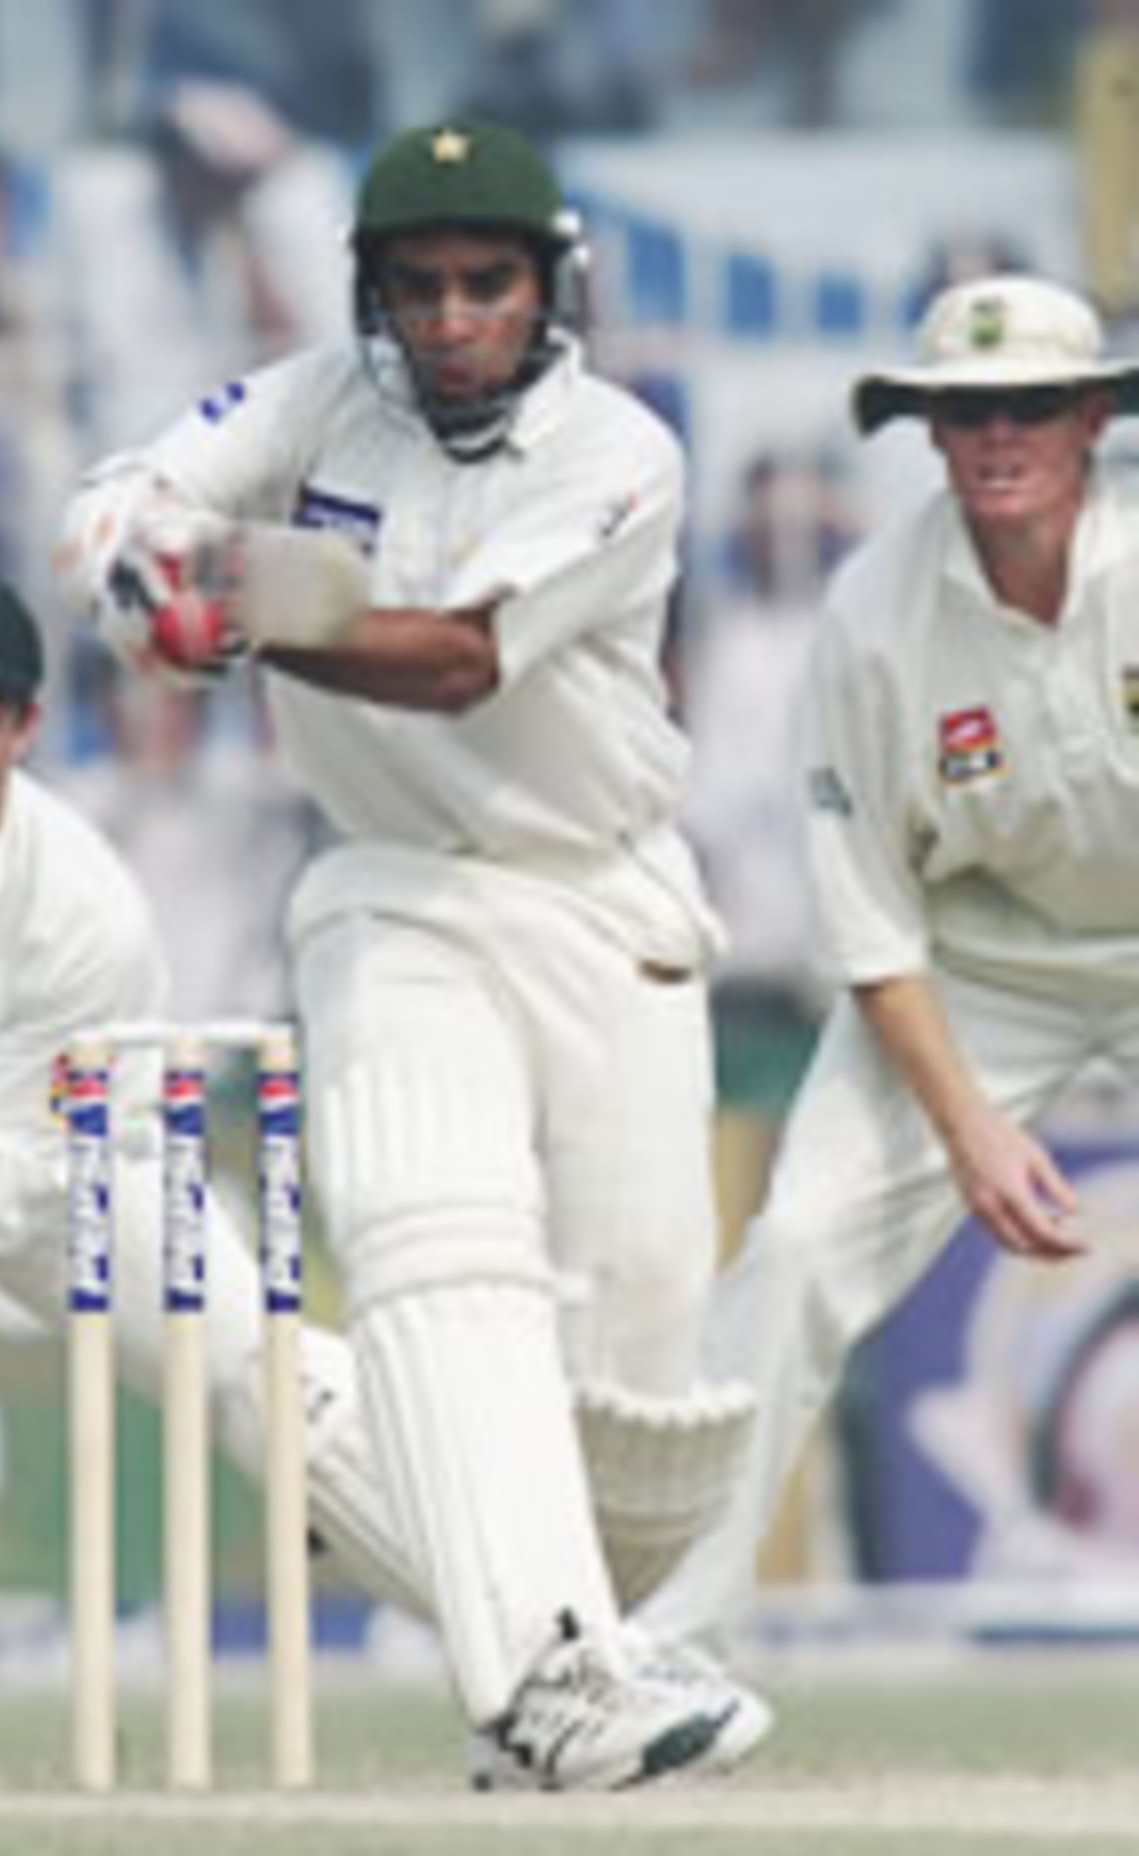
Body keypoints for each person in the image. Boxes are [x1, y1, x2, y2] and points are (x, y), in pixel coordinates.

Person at [56, 119, 772, 1790]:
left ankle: (479, 1575)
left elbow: (455, 660)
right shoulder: (312, 405)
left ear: (549, 288)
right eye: (421, 286)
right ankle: (541, 1671)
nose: (453, 317)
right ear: (375, 293)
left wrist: (223, 605)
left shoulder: (622, 452)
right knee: (434, 1241)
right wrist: (135, 570)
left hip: (602, 901)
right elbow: (119, 500)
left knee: (636, 1394)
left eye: (487, 284)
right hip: (393, 897)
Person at [636, 270, 1139, 1649]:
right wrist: (970, 1129)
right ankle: (669, 1641)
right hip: (972, 963)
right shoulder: (872, 614)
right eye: (964, 410)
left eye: (1030, 405)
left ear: (1092, 416)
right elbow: (867, 917)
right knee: (795, 1248)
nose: (997, 438)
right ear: (924, 430)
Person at [0, 561, 449, 1638]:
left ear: (28, 727)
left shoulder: (83, 909)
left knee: (258, 1382)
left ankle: (546, 1638)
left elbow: (9, 1182)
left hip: (69, 1167)